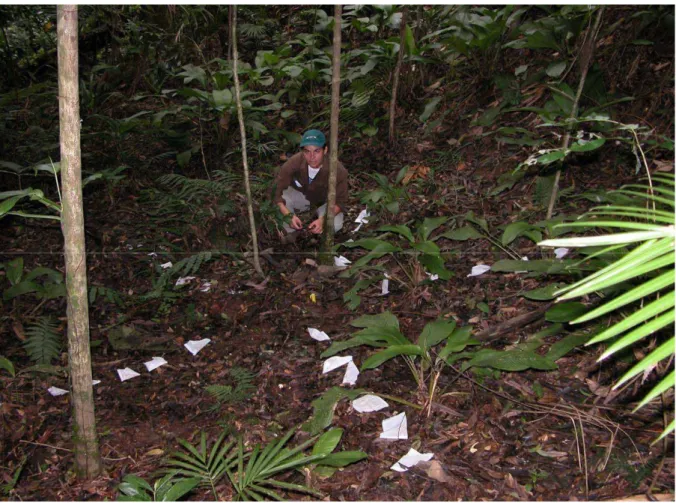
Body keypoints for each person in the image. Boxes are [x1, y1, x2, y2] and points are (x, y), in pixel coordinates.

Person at [272, 129, 348, 237]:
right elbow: (276, 190)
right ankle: (291, 235)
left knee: (335, 225)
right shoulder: (294, 162)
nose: (312, 156)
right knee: (282, 201)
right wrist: (288, 215)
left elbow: (340, 202)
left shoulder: (337, 170)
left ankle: (318, 232)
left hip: (326, 203)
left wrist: (323, 220)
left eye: (316, 151)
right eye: (307, 151)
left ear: (325, 150)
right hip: (302, 197)